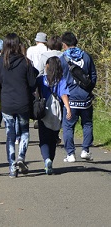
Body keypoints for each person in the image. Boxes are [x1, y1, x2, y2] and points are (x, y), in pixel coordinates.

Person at [0, 33, 36, 178]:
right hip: (23, 102)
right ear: (18, 45)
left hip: (7, 103)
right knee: (24, 131)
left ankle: (12, 167)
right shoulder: (25, 62)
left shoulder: (1, 62)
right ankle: (21, 157)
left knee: (10, 135)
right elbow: (32, 83)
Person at [59, 32, 97, 163]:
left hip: (70, 98)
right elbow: (93, 75)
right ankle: (85, 150)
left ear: (64, 44)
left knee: (68, 126)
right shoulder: (86, 56)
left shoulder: (63, 58)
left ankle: (70, 154)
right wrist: (88, 89)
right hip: (85, 97)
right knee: (87, 124)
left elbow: (60, 79)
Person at [36, 56, 71, 174]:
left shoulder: (41, 80)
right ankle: (50, 159)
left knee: (44, 139)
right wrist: (68, 108)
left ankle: (46, 160)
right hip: (57, 113)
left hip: (43, 111)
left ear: (47, 66)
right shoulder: (61, 80)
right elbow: (64, 95)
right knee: (53, 139)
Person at [36, 35, 64, 144]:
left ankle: (46, 134)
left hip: (46, 85)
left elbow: (38, 71)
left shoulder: (45, 56)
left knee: (46, 109)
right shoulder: (63, 56)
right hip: (60, 86)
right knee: (59, 110)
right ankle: (55, 134)